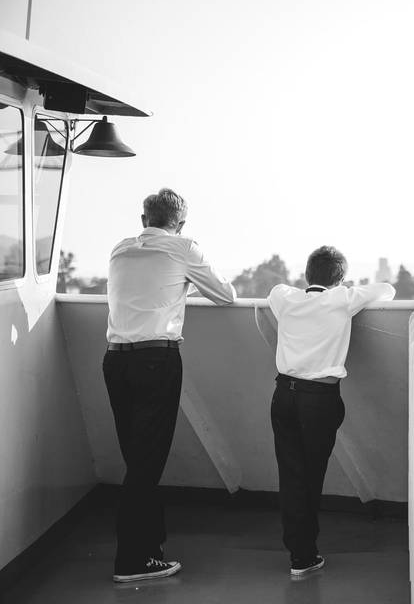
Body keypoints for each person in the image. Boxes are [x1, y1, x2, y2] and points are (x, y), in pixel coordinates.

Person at [103, 188, 236, 583]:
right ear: (179, 224)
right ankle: (131, 560)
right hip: (155, 361)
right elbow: (226, 296)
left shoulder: (119, 249)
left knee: (137, 459)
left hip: (115, 360)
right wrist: (184, 283)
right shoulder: (184, 248)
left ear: (144, 220)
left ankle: (150, 544)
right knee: (146, 463)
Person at [267, 246, 395, 577]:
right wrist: (346, 291)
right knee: (311, 478)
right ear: (339, 280)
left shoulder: (285, 297)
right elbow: (387, 289)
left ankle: (299, 552)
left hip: (283, 395)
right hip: (319, 399)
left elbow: (276, 290)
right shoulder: (342, 299)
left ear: (308, 274)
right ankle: (303, 557)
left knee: (292, 477)